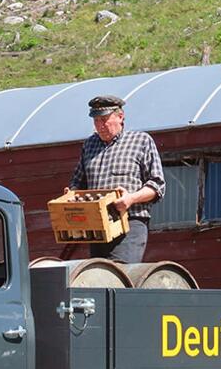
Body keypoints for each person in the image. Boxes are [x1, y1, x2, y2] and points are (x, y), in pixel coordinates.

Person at [68, 95, 165, 263]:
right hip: (97, 226)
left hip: (130, 223)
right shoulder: (89, 145)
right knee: (99, 275)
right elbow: (78, 183)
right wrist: (71, 194)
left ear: (120, 117)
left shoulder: (141, 141)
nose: (101, 125)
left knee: (119, 275)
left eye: (105, 119)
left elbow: (157, 186)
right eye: (96, 121)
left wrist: (131, 198)